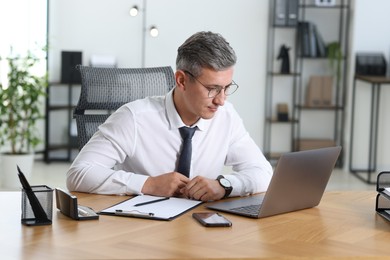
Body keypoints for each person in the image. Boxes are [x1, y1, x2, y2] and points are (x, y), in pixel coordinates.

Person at [67, 31, 273, 202]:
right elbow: (79, 173)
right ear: (182, 80)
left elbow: (263, 173)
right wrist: (148, 184)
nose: (221, 100)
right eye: (212, 89)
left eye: (227, 88)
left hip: (200, 230)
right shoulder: (133, 118)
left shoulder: (226, 116)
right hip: (141, 232)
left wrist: (225, 185)